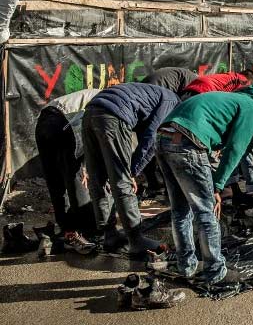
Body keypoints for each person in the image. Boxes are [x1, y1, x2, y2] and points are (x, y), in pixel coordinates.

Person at [155, 85, 253, 287]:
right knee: (206, 211)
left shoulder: (226, 99)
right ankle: (215, 272)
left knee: (180, 210)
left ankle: (186, 266)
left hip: (162, 138)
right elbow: (235, 150)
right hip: (188, 143)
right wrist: (217, 186)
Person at [82, 83, 180, 254]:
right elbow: (151, 140)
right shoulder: (173, 103)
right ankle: (136, 239)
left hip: (90, 111)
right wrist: (133, 172)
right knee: (122, 181)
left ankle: (109, 234)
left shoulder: (156, 94)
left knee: (97, 178)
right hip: (114, 115)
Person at [180, 69, 253, 203]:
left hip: (190, 95)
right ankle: (221, 191)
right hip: (202, 98)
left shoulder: (229, 76)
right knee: (212, 149)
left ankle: (228, 190)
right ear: (249, 81)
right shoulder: (242, 82)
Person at [35, 89, 100, 254]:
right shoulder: (110, 100)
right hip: (62, 121)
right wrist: (85, 166)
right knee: (74, 176)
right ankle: (86, 231)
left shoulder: (97, 94)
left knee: (54, 177)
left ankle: (67, 229)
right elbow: (92, 135)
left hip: (43, 121)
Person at [142, 67, 198, 194]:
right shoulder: (195, 84)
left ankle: (153, 183)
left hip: (148, 97)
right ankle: (168, 186)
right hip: (156, 99)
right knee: (162, 142)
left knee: (148, 141)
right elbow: (182, 110)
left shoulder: (182, 76)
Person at [181, 70, 253, 100]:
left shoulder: (231, 75)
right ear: (249, 79)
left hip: (197, 82)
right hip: (207, 88)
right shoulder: (243, 80)